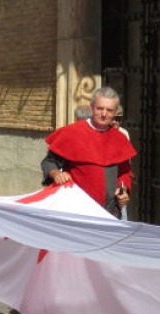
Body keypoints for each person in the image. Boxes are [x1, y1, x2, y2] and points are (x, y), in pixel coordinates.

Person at [41, 86, 135, 219]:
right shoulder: (71, 133)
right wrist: (56, 173)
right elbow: (49, 162)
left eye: (109, 110)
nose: (104, 114)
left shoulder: (119, 138)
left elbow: (125, 172)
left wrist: (124, 190)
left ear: (114, 113)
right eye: (100, 108)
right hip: (77, 210)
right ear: (92, 107)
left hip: (110, 212)